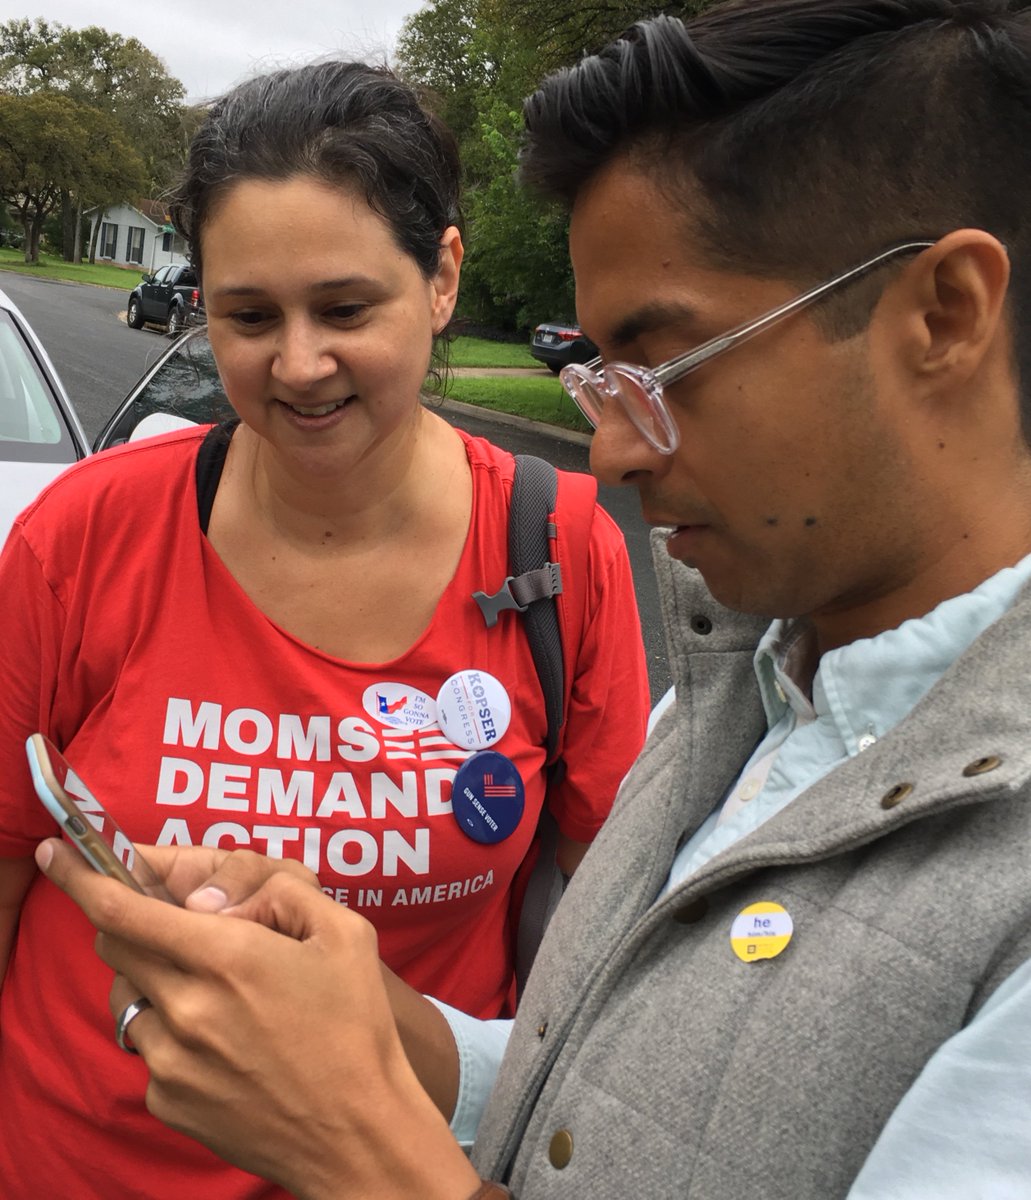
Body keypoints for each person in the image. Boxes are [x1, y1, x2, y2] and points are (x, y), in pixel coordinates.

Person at [27, 0, 1031, 1195]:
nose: (606, 455)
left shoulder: (569, 561)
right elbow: (600, 1091)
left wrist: (359, 1147)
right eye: (600, 375)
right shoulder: (734, 701)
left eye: (664, 368)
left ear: (945, 314)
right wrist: (371, 1003)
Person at [0, 61, 649, 1200]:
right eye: (248, 316)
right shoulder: (82, 535)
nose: (297, 365)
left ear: (441, 277)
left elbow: (610, 940)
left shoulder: (560, 555)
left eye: (345, 310)